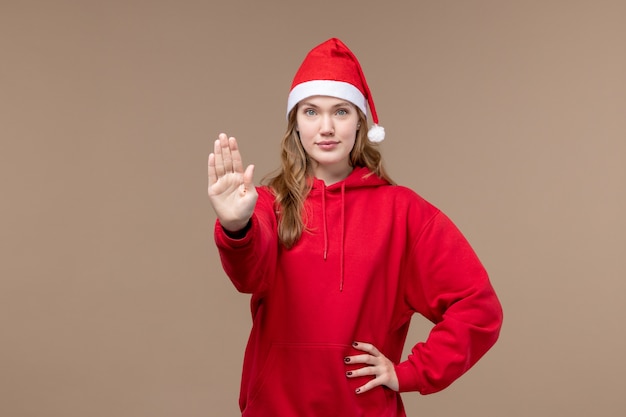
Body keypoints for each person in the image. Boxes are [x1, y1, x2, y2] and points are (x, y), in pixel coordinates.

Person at [208, 38, 503, 417]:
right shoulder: (267, 204)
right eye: (311, 111)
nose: (326, 127)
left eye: (341, 111)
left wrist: (411, 372)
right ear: (295, 123)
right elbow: (248, 275)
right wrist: (236, 227)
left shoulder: (404, 211)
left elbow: (478, 307)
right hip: (274, 409)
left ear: (361, 121)